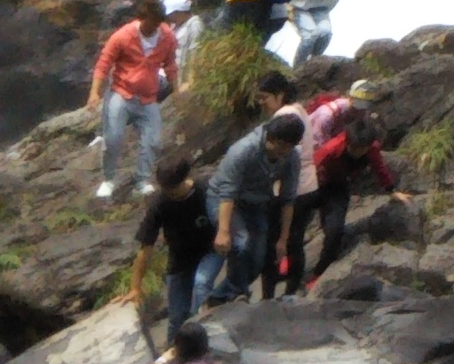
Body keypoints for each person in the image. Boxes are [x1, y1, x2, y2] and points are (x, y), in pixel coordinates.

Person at [296, 82, 397, 283]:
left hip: (337, 184)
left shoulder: (368, 140)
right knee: (296, 223)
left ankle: (318, 274)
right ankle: (288, 266)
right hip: (314, 177)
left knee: (334, 230)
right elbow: (313, 156)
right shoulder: (329, 137)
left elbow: (379, 166)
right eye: (356, 149)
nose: (360, 153)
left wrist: (391, 189)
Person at [203, 111, 303, 310]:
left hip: (255, 203)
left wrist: (283, 239)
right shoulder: (244, 151)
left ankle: (220, 296)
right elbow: (227, 192)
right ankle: (238, 294)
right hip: (224, 200)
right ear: (271, 138)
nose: (283, 151)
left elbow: (288, 198)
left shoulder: (291, 157)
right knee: (240, 244)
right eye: (280, 146)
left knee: (257, 258)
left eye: (289, 147)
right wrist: (223, 231)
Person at [88, 0, 179, 202]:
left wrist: (177, 90)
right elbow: (103, 64)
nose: (155, 27)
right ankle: (108, 179)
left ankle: (142, 181)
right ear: (141, 18)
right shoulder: (123, 36)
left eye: (158, 23)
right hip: (121, 93)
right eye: (151, 23)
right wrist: (94, 93)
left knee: (153, 141)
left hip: (148, 98)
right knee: (113, 138)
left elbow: (171, 65)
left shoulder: (167, 37)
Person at [132, 146, 212, 333]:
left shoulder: (204, 190)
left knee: (201, 289)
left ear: (185, 180)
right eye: (165, 189)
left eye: (172, 190)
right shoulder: (160, 203)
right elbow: (146, 247)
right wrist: (135, 288)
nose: (168, 193)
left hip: (210, 251)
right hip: (180, 259)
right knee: (176, 318)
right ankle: (173, 355)